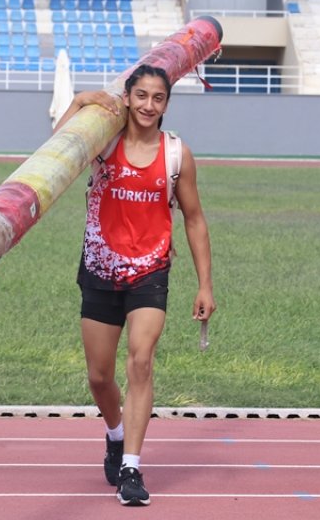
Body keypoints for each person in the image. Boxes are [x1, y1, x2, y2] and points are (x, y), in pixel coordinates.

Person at [53, 64, 215, 507]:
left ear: (166, 103)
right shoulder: (103, 143)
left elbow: (194, 219)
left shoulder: (177, 154)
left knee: (141, 361)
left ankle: (131, 467)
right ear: (127, 97)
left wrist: (205, 284)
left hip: (150, 272)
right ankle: (115, 432)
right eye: (140, 96)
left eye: (157, 98)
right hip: (101, 270)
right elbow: (56, 151)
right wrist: (80, 101)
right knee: (99, 376)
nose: (148, 105)